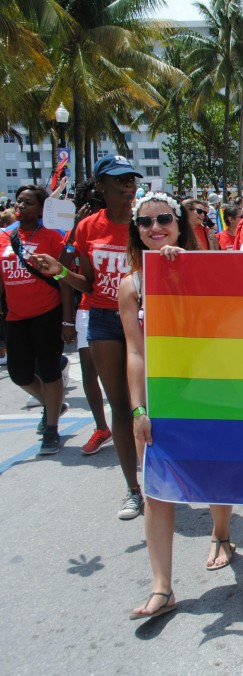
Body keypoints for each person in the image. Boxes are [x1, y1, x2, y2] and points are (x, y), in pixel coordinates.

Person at [116, 192, 236, 618]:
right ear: (136, 230)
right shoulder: (130, 286)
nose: (155, 227)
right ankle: (162, 587)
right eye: (145, 222)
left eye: (164, 218)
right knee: (157, 489)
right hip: (162, 398)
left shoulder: (203, 267)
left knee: (216, 470)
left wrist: (188, 268)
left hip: (208, 390)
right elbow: (135, 351)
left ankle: (221, 533)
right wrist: (137, 409)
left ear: (180, 222)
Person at [33, 156, 147, 518]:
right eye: (118, 180)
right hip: (102, 319)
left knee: (150, 405)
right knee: (122, 408)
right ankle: (133, 489)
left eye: (130, 179)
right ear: (101, 186)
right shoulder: (86, 228)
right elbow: (87, 283)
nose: (127, 186)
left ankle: (165, 479)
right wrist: (61, 271)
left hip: (147, 320)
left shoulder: (147, 220)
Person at [0, 184, 68, 456]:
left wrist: (67, 321)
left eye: (28, 203)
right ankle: (53, 405)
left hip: (47, 314)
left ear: (41, 209)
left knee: (50, 372)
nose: (21, 207)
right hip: (15, 316)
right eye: (18, 202)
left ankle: (51, 428)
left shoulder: (51, 237)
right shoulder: (5, 237)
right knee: (19, 374)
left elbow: (63, 280)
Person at [62, 181, 112, 455]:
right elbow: (63, 264)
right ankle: (101, 427)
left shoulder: (124, 225)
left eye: (98, 203)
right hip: (88, 309)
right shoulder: (82, 229)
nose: (95, 208)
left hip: (122, 311)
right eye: (90, 203)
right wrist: (74, 230)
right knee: (89, 371)